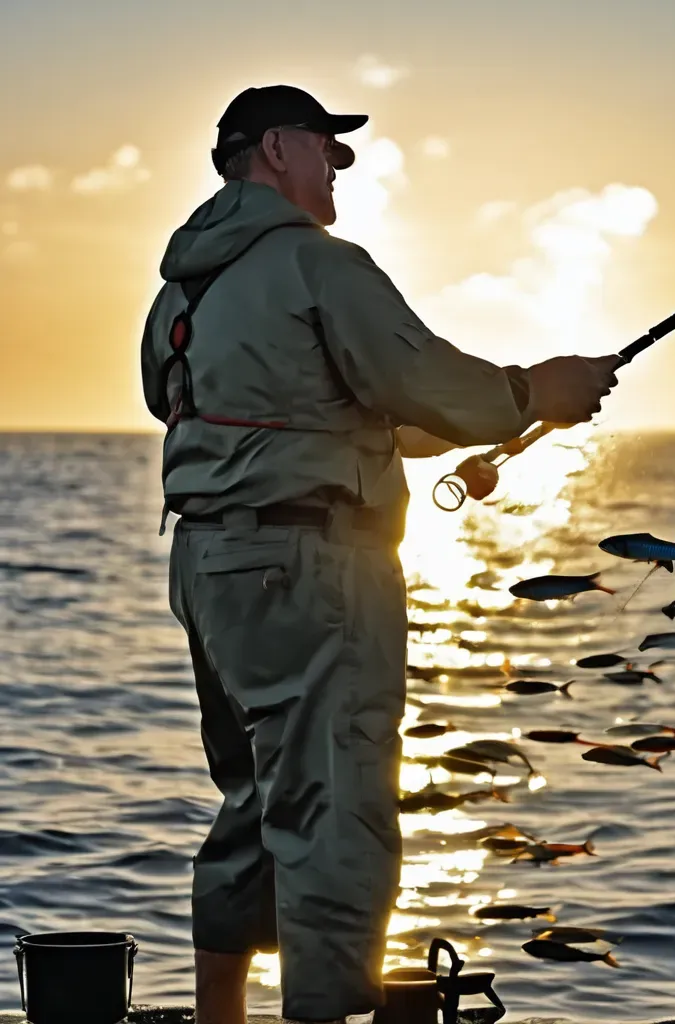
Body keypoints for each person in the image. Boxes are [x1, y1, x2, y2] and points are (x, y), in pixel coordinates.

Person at [139, 84, 619, 1024]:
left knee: (252, 799)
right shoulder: (321, 265)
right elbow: (424, 380)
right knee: (335, 812)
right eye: (328, 150)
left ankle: (218, 1019)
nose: (339, 171)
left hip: (210, 573)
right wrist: (537, 389)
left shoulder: (181, 294)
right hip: (313, 572)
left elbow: (295, 411)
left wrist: (458, 420)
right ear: (275, 148)